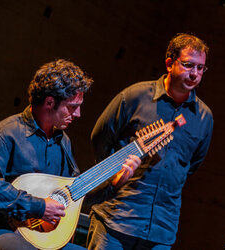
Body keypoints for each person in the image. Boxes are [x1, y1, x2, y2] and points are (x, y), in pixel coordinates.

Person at [0, 59, 140, 250]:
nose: (77, 114)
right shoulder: (5, 134)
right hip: (3, 228)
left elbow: (74, 194)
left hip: (41, 236)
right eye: (72, 106)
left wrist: (113, 184)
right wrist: (39, 206)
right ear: (50, 102)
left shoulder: (63, 141)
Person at [87, 33, 214, 249]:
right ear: (169, 63)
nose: (195, 74)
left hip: (161, 230)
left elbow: (191, 166)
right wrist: (114, 174)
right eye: (188, 65)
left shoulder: (204, 117)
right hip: (116, 219)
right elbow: (100, 139)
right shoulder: (135, 96)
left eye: (200, 68)